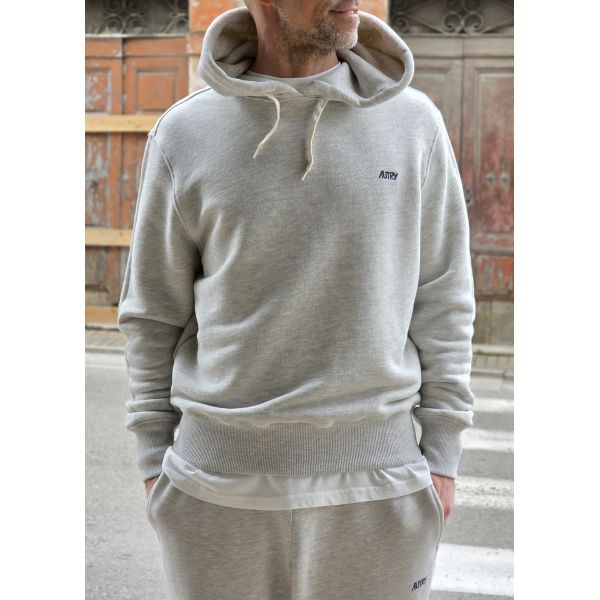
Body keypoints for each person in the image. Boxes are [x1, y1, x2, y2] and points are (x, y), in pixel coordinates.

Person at [117, 1, 476, 598]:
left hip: (382, 484)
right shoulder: (184, 133)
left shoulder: (414, 123)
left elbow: (444, 298)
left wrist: (441, 456)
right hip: (214, 486)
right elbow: (152, 312)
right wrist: (155, 461)